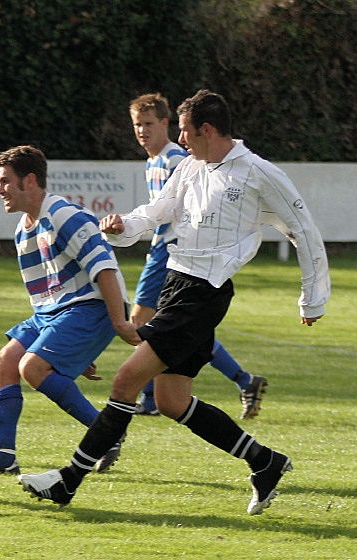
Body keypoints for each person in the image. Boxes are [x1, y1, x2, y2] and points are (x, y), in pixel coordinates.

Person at [17, 90, 330, 515]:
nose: (180, 140)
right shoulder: (190, 167)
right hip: (176, 285)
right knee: (170, 401)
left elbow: (305, 231)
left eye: (183, 131)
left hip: (203, 295)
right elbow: (157, 210)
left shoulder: (259, 173)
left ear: (206, 129)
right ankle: (265, 462)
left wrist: (312, 299)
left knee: (126, 381)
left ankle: (66, 483)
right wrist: (123, 225)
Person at [0, 145, 140, 475]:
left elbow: (104, 269)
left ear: (29, 181)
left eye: (5, 181)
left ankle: (106, 434)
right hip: (54, 314)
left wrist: (118, 321)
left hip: (91, 308)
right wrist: (70, 350)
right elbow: (44, 296)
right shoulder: (23, 230)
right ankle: (4, 459)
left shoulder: (64, 216)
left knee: (31, 367)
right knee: (4, 364)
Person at [128, 93, 266, 419]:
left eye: (149, 124)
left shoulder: (177, 158)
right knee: (185, 330)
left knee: (142, 323)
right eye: (137, 125)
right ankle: (244, 380)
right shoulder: (155, 160)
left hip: (172, 253)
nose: (142, 131)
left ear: (166, 123)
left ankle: (149, 398)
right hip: (167, 252)